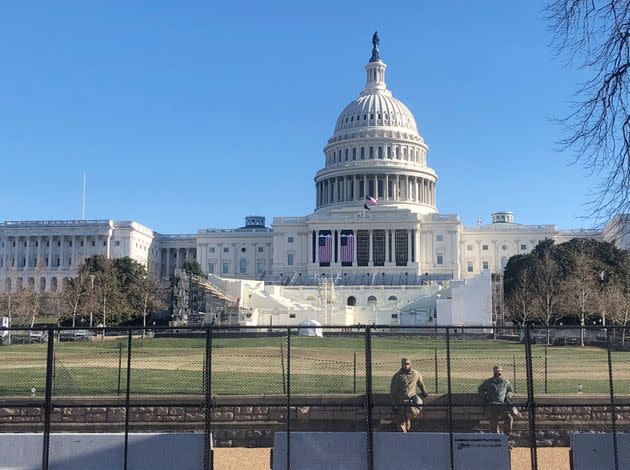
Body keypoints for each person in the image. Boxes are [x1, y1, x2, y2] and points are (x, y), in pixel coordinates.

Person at [478, 365, 519, 436]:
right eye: (496, 372)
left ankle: (506, 437)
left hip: (502, 405)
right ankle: (497, 439)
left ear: (501, 372)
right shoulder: (488, 382)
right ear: (494, 372)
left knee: (509, 418)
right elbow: (480, 389)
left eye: (499, 372)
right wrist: (485, 398)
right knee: (494, 423)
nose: (498, 373)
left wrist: (508, 396)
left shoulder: (505, 382)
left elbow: (510, 390)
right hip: (492, 405)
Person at [390, 358, 428, 432]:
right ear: (402, 364)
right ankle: (403, 437)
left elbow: (420, 383)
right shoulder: (397, 376)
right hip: (400, 401)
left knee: (408, 418)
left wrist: (424, 391)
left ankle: (407, 434)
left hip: (411, 402)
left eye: (408, 364)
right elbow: (393, 391)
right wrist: (394, 403)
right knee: (401, 422)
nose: (406, 365)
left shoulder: (416, 374)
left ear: (410, 364)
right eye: (405, 364)